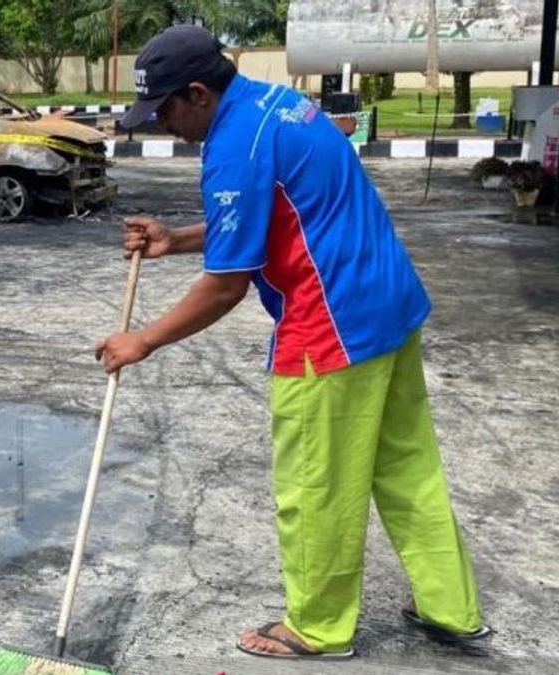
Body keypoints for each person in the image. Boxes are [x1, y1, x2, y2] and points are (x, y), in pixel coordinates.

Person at [96, 25, 489, 659]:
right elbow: (269, 215)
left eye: (163, 110)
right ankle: (450, 605)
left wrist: (142, 340)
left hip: (330, 326)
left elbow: (225, 287)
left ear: (197, 93)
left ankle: (319, 626)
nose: (161, 126)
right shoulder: (273, 104)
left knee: (316, 486)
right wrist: (176, 238)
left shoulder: (233, 146)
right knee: (407, 470)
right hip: (387, 303)